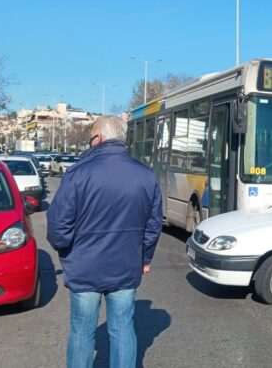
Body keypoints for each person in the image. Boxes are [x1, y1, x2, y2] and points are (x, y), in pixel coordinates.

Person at [47, 116, 163, 368]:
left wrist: (66, 249)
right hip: (125, 266)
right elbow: (153, 225)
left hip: (84, 266)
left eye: (90, 138)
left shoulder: (78, 173)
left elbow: (58, 225)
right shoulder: (145, 175)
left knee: (81, 331)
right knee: (122, 328)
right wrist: (144, 258)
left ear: (98, 139)